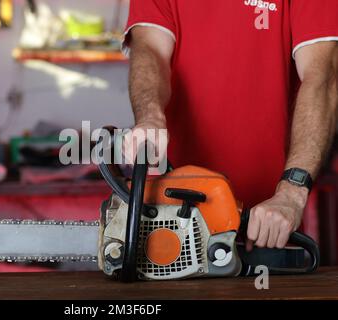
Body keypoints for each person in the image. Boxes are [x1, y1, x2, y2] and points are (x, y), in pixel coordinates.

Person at [122, 0, 338, 250]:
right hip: (172, 208)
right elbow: (150, 49)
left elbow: (323, 76)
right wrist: (150, 117)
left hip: (267, 217)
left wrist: (292, 193)